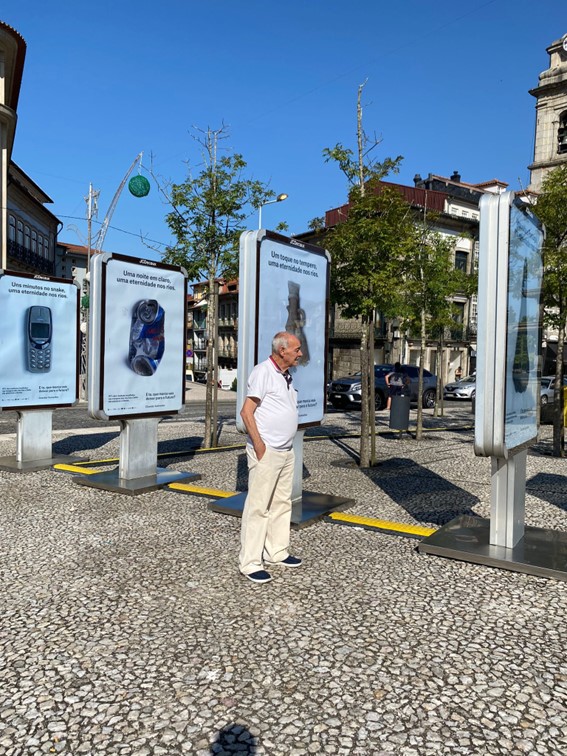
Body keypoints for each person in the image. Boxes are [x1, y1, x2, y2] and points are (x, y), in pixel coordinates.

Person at [239, 331, 303, 584]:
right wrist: (259, 445)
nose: (300, 354)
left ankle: (277, 551)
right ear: (282, 350)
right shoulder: (263, 372)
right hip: (267, 451)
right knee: (258, 507)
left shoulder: (285, 375)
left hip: (286, 450)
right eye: (296, 349)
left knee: (281, 503)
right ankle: (250, 562)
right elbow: (247, 412)